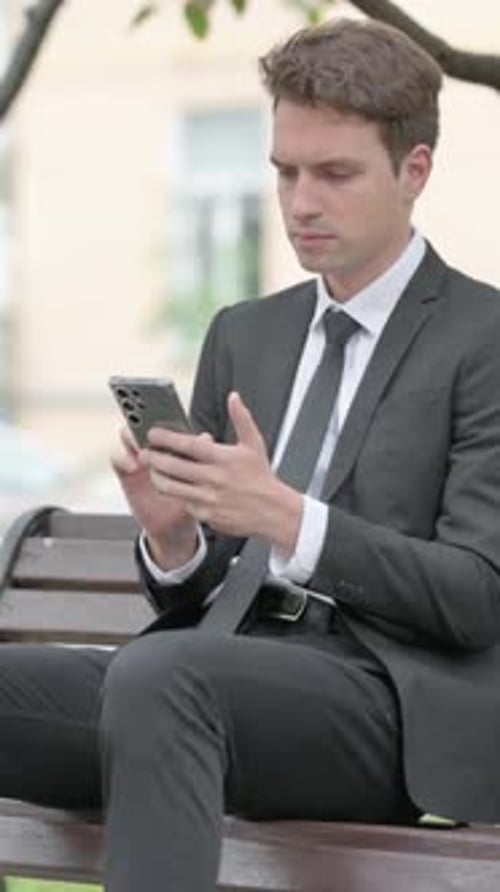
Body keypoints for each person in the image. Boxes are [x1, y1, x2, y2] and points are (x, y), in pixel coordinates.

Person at [0, 16, 500, 892]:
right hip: (210, 684)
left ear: (413, 171)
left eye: (335, 174)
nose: (301, 202)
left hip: (383, 709)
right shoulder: (248, 335)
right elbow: (207, 588)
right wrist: (172, 536)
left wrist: (287, 517)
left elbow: (474, 595)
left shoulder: (484, 337)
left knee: (166, 677)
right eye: (284, 172)